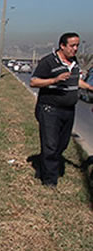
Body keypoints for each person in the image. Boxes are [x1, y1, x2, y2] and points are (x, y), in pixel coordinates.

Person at [30, 32, 93, 188]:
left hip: (68, 110)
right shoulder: (49, 62)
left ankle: (45, 167)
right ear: (62, 46)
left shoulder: (74, 62)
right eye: (72, 45)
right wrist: (54, 80)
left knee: (62, 144)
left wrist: (90, 87)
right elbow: (34, 81)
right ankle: (49, 180)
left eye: (77, 45)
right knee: (50, 144)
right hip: (49, 109)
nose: (75, 49)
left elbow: (75, 81)